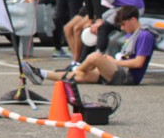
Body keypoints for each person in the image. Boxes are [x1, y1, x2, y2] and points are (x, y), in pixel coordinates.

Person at [23, 6, 154, 86]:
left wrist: (114, 62)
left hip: (127, 77)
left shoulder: (144, 35)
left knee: (95, 57)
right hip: (117, 70)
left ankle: (78, 68)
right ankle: (42, 74)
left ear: (133, 20)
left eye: (123, 24)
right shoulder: (131, 34)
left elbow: (138, 63)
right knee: (80, 77)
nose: (122, 28)